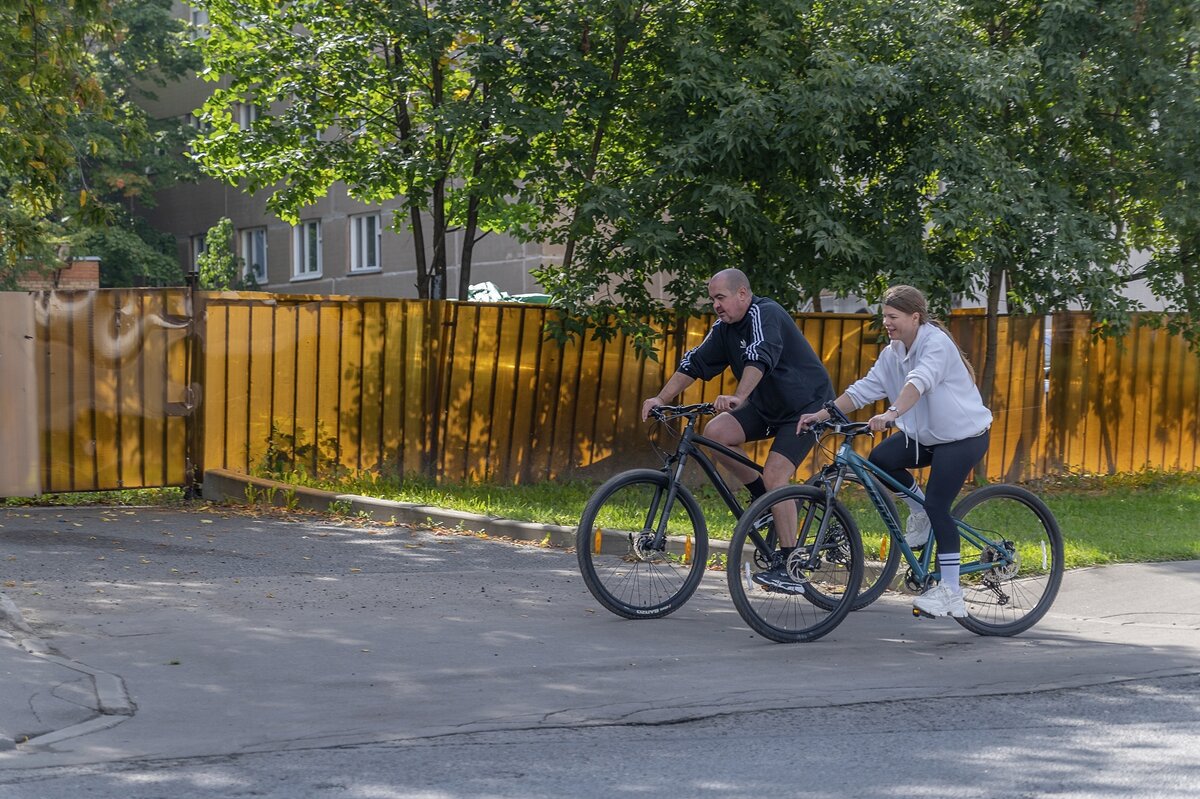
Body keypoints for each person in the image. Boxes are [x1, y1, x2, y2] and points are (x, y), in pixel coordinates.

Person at [798, 285, 992, 618]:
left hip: (962, 436)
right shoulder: (894, 351)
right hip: (926, 436)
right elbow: (864, 389)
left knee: (938, 505)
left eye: (893, 316)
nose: (886, 322)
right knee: (881, 460)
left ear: (915, 317)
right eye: (884, 316)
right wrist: (822, 414)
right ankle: (919, 513)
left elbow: (918, 381)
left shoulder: (936, 344)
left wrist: (892, 414)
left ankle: (951, 592)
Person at [641, 268, 834, 593]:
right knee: (716, 433)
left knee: (776, 476)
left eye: (721, 297)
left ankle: (791, 567)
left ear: (742, 294)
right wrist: (661, 398)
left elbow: (761, 356)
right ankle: (765, 502)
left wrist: (738, 396)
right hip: (768, 406)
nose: (716, 305)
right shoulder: (724, 329)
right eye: (712, 299)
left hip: (807, 406)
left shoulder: (764, 313)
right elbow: (694, 363)